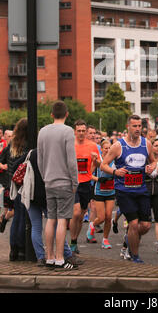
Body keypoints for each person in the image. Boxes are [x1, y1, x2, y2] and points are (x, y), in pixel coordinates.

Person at [100, 115, 157, 263]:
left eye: (139, 126)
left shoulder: (146, 144)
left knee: (144, 226)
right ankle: (135, 255)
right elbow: (103, 164)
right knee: (133, 224)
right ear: (128, 127)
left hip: (141, 189)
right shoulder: (118, 145)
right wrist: (115, 172)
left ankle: (128, 239)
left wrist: (152, 167)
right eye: (135, 126)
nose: (138, 129)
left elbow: (153, 161)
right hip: (124, 190)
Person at [37, 100, 79, 269]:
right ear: (67, 114)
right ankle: (61, 258)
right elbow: (71, 160)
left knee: (50, 219)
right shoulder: (68, 131)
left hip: (49, 181)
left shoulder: (43, 131)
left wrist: (45, 177)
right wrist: (74, 181)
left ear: (51, 114)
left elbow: (40, 158)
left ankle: (50, 257)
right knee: (62, 220)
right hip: (64, 182)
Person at [0, 118, 29, 261]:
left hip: (12, 184)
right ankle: (23, 249)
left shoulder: (11, 144)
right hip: (24, 184)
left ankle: (13, 250)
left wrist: (8, 171)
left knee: (16, 216)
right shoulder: (28, 145)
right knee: (23, 216)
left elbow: (2, 159)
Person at [69, 120, 100, 253]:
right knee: (75, 213)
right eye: (79, 131)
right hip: (73, 183)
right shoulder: (70, 145)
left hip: (86, 183)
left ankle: (74, 241)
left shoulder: (92, 146)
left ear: (86, 132)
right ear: (75, 131)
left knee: (81, 215)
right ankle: (71, 242)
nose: (81, 133)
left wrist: (95, 161)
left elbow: (98, 164)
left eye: (83, 131)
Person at [90, 139, 116, 248]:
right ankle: (92, 225)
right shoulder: (98, 160)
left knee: (109, 216)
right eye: (106, 148)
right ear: (102, 149)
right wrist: (98, 179)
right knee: (101, 218)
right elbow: (88, 174)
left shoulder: (115, 160)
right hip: (99, 191)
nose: (108, 150)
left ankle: (105, 240)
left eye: (110, 148)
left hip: (111, 191)